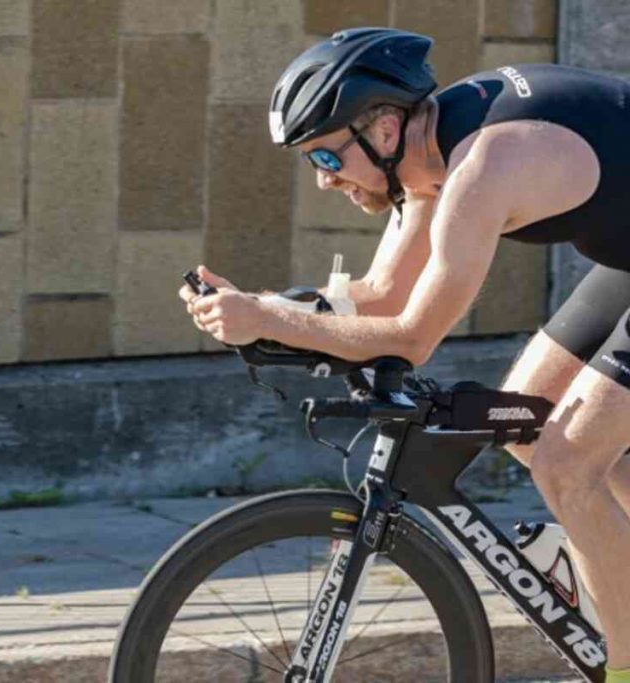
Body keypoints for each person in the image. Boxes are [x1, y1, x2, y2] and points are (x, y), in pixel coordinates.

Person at [179, 27, 630, 680]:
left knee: (568, 462)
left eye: (327, 160)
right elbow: (378, 295)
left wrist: (272, 319)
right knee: (526, 425)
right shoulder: (425, 165)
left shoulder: (480, 168)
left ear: (383, 130)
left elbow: (413, 334)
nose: (325, 182)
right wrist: (256, 310)